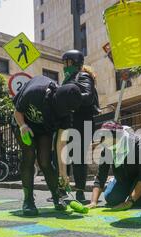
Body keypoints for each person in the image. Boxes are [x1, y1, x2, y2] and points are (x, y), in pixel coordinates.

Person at [13, 75, 72, 215]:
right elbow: (17, 111)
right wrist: (22, 126)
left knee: (45, 161)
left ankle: (57, 196)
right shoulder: (35, 91)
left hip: (44, 128)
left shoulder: (67, 112)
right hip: (24, 123)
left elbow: (61, 142)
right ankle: (28, 200)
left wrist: (63, 173)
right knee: (28, 156)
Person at [58, 49, 100, 202]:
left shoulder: (82, 76)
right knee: (64, 157)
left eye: (66, 62)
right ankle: (62, 189)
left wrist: (68, 100)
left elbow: (88, 96)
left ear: (75, 62)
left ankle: (80, 191)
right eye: (63, 63)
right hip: (70, 122)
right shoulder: (68, 79)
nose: (64, 66)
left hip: (82, 122)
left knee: (78, 158)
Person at [87, 122, 141, 210]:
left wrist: (130, 201)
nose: (108, 146)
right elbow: (101, 176)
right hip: (123, 178)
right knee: (111, 199)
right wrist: (93, 202)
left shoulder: (138, 144)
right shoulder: (107, 148)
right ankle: (117, 182)